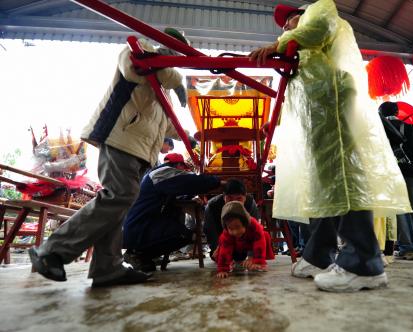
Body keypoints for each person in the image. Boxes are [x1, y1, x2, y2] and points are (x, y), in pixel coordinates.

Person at [249, 0, 411, 292]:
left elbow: (317, 28)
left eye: (288, 24)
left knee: (342, 178)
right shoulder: (303, 48)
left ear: (299, 14)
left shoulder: (319, 10)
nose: (285, 30)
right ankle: (319, 254)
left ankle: (363, 261)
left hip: (331, 104)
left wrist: (281, 43)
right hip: (316, 112)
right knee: (322, 186)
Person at [28, 28, 190, 287]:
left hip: (140, 150)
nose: (174, 56)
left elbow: (161, 123)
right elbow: (134, 68)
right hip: (119, 140)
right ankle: (52, 251)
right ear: (162, 45)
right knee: (118, 196)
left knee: (119, 204)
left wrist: (187, 136)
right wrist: (177, 78)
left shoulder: (163, 83)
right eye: (173, 50)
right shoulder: (139, 52)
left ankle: (107, 267)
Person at [123, 153, 221, 271]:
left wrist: (188, 196)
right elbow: (190, 181)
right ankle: (139, 253)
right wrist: (217, 181)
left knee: (183, 232)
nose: (183, 171)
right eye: (182, 168)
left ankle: (142, 253)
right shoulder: (162, 173)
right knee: (184, 235)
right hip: (141, 228)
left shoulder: (154, 175)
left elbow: (178, 190)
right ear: (177, 165)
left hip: (142, 226)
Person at [379, 101, 413, 260]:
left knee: (400, 207)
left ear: (381, 114)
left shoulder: (379, 129)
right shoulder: (409, 128)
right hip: (411, 171)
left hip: (391, 172)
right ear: (397, 112)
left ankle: (409, 249)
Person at [216, 201, 274, 279]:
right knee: (223, 245)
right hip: (237, 247)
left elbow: (259, 243)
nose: (235, 232)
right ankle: (234, 261)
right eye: (230, 228)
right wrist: (222, 269)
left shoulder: (253, 225)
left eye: (238, 227)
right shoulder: (227, 234)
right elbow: (225, 250)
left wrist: (257, 261)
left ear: (245, 223)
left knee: (264, 235)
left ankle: (257, 262)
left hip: (251, 245)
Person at [204, 178, 260, 256]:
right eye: (229, 198)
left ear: (245, 197)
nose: (234, 202)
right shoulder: (212, 206)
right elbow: (211, 231)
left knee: (241, 256)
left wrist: (252, 255)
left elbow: (255, 231)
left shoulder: (250, 203)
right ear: (224, 196)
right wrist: (217, 248)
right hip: (221, 239)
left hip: (242, 240)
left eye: (239, 198)